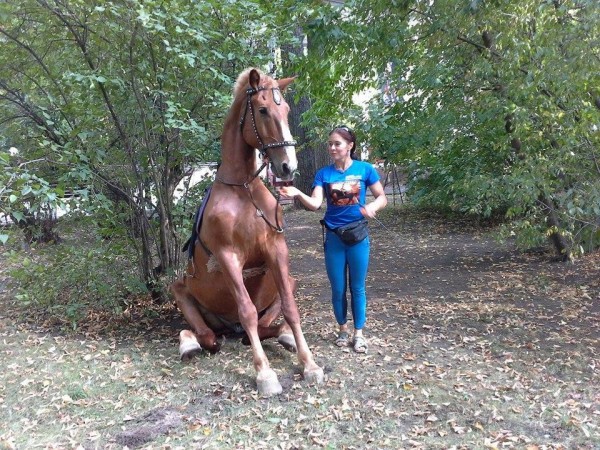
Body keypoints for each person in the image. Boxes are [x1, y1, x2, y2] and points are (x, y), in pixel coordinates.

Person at [280, 125, 387, 353]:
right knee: (338, 288)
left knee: (357, 287)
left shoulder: (365, 169)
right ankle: (342, 330)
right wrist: (298, 193)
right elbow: (316, 204)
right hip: (334, 239)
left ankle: (359, 334)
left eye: (337, 143)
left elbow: (382, 197)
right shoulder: (324, 174)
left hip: (358, 237)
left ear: (350, 146)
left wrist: (373, 207)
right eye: (330, 143)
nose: (332, 147)